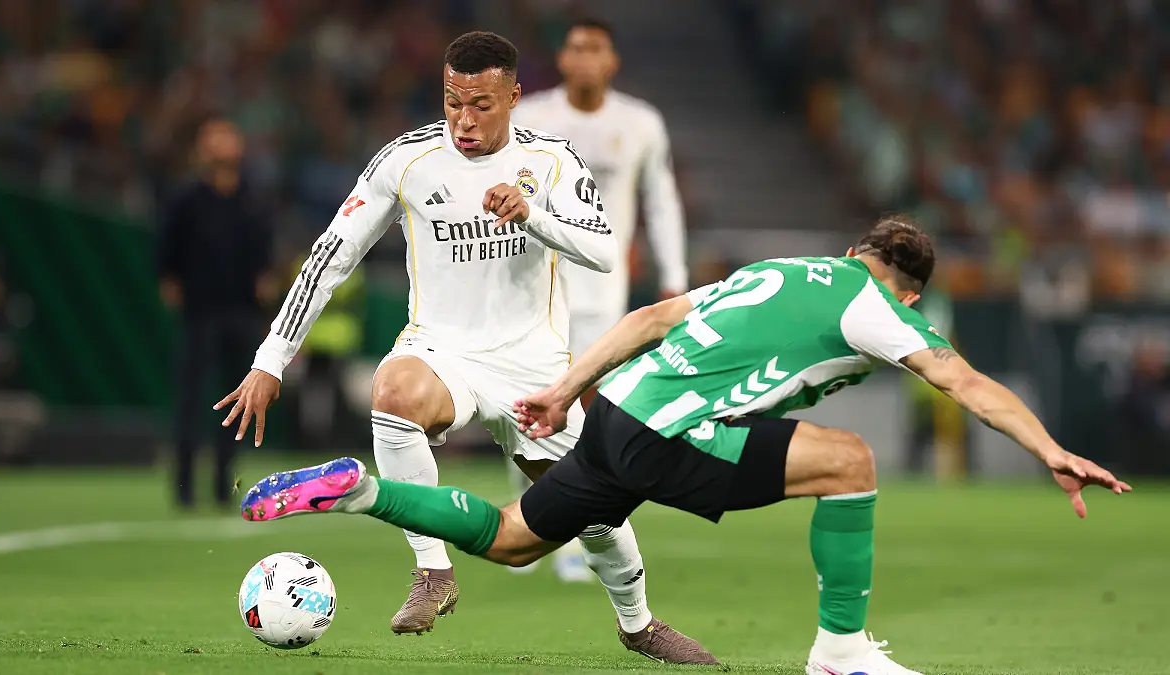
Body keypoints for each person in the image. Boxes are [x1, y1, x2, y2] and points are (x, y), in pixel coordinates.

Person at [237, 217, 1130, 674]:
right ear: (901, 281)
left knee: (510, 539)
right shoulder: (877, 304)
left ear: (854, 245)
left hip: (620, 409)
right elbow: (964, 381)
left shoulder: (774, 271)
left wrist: (565, 388)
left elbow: (653, 315)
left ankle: (362, 488)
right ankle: (841, 652)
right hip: (673, 435)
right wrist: (1049, 445)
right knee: (851, 462)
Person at [214, 31, 715, 664]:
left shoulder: (553, 160)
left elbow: (605, 250)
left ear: (513, 97)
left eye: (480, 103)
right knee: (393, 393)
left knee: (597, 511)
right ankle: (433, 570)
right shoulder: (407, 160)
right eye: (452, 100)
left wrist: (531, 213)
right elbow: (329, 256)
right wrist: (270, 359)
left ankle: (638, 624)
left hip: (535, 371)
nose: (463, 118)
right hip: (441, 351)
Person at [507, 17, 689, 582]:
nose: (585, 57)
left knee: (584, 410)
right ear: (562, 58)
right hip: (533, 286)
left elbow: (661, 201)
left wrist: (674, 277)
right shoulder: (531, 118)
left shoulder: (639, 124)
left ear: (612, 61)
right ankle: (524, 518)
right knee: (522, 407)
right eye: (576, 47)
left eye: (596, 49)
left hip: (601, 294)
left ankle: (567, 530)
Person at [157, 118, 274, 509]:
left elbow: (264, 255)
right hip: (200, 313)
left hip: (241, 313)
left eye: (228, 137)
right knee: (191, 401)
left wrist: (264, 286)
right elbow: (165, 253)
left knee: (236, 402)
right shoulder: (187, 199)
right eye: (214, 139)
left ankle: (226, 483)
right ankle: (185, 486)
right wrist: (172, 284)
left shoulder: (251, 199)